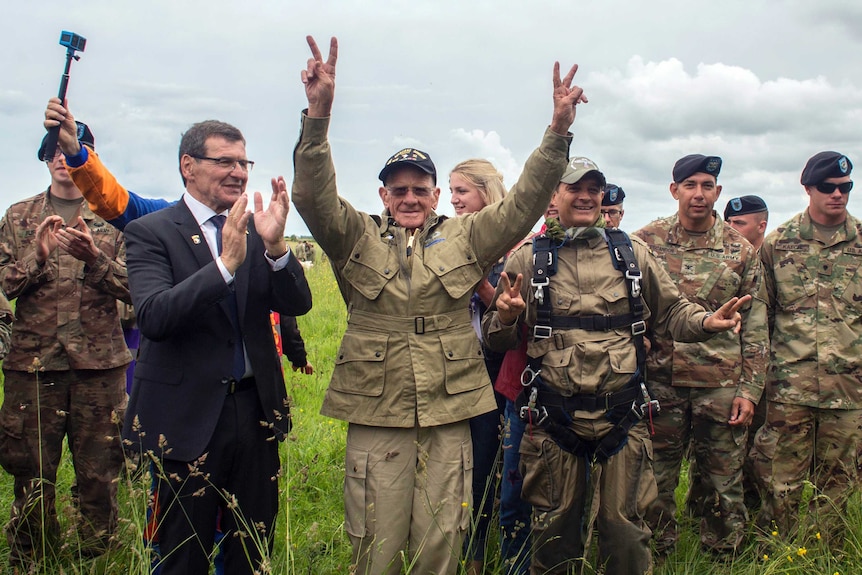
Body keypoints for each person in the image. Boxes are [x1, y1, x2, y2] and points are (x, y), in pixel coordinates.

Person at [292, 35, 585, 575]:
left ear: (433, 195)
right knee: (373, 536)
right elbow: (311, 197)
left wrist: (557, 133)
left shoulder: (465, 237)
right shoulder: (353, 234)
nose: (409, 198)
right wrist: (318, 116)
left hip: (451, 406)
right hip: (376, 406)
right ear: (383, 195)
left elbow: (522, 205)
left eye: (420, 189)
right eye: (397, 189)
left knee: (442, 533)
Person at [44, 100, 313, 574]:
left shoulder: (252, 228)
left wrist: (274, 249)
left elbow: (297, 304)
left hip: (254, 415)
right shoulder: (153, 231)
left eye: (243, 163)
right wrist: (225, 266)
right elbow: (154, 316)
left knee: (251, 549)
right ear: (188, 166)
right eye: (224, 161)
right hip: (186, 419)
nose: (238, 173)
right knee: (179, 552)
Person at [482, 156, 751, 575]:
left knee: (625, 532)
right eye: (575, 188)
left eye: (594, 189)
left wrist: (706, 323)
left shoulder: (630, 252)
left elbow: (673, 312)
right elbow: (496, 339)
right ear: (555, 195)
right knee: (554, 532)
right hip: (554, 417)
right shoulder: (528, 260)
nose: (587, 196)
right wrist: (506, 316)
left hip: (622, 415)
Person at [0, 122, 132, 570]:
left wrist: (95, 259)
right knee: (30, 474)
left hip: (100, 368)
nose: (61, 157)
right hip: (33, 367)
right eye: (52, 150)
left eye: (71, 149)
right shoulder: (19, 217)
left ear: (86, 156)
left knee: (100, 474)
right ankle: (31, 559)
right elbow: (2, 286)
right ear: (44, 158)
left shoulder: (116, 219)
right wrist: (34, 259)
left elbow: (139, 290)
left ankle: (96, 559)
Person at [634, 154, 768, 556]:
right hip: (661, 381)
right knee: (654, 479)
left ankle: (722, 557)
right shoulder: (646, 242)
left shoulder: (740, 251)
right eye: (689, 185)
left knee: (722, 482)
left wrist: (750, 389)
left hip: (721, 386)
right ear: (674, 190)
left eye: (707, 186)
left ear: (718, 192)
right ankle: (656, 555)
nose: (698, 194)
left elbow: (757, 326)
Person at [753, 151, 861, 545]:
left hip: (848, 391)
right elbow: (760, 320)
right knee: (779, 481)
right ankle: (775, 553)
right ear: (808, 189)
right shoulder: (778, 245)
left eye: (845, 187)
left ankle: (825, 556)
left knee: (838, 484)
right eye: (828, 187)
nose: (838, 194)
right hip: (788, 389)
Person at [491, 195, 559, 575]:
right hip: (524, 392)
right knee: (515, 493)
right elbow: (494, 334)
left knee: (566, 499)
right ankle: (516, 567)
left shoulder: (609, 255)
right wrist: (505, 315)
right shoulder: (523, 254)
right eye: (547, 196)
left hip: (578, 398)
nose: (552, 203)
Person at [449, 158, 508, 575]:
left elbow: (516, 321)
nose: (454, 200)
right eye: (451, 191)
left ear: (486, 193)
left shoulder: (513, 247)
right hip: (450, 371)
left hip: (494, 374)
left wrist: (483, 287)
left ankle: (478, 556)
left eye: (462, 191)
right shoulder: (448, 240)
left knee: (486, 469)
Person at [723, 194, 769, 509]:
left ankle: (754, 513)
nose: (730, 228)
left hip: (775, 368)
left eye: (738, 223)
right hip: (732, 367)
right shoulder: (728, 260)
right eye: (727, 222)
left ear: (760, 225)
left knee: (761, 450)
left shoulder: (776, 257)